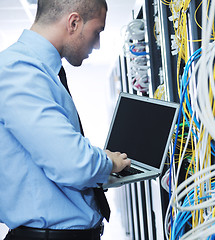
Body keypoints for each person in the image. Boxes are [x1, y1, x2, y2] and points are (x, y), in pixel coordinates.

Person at [0, 0, 131, 239]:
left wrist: (101, 168)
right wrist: (108, 163)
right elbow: (73, 162)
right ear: (74, 22)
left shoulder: (41, 71)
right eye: (97, 32)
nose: (98, 44)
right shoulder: (19, 69)